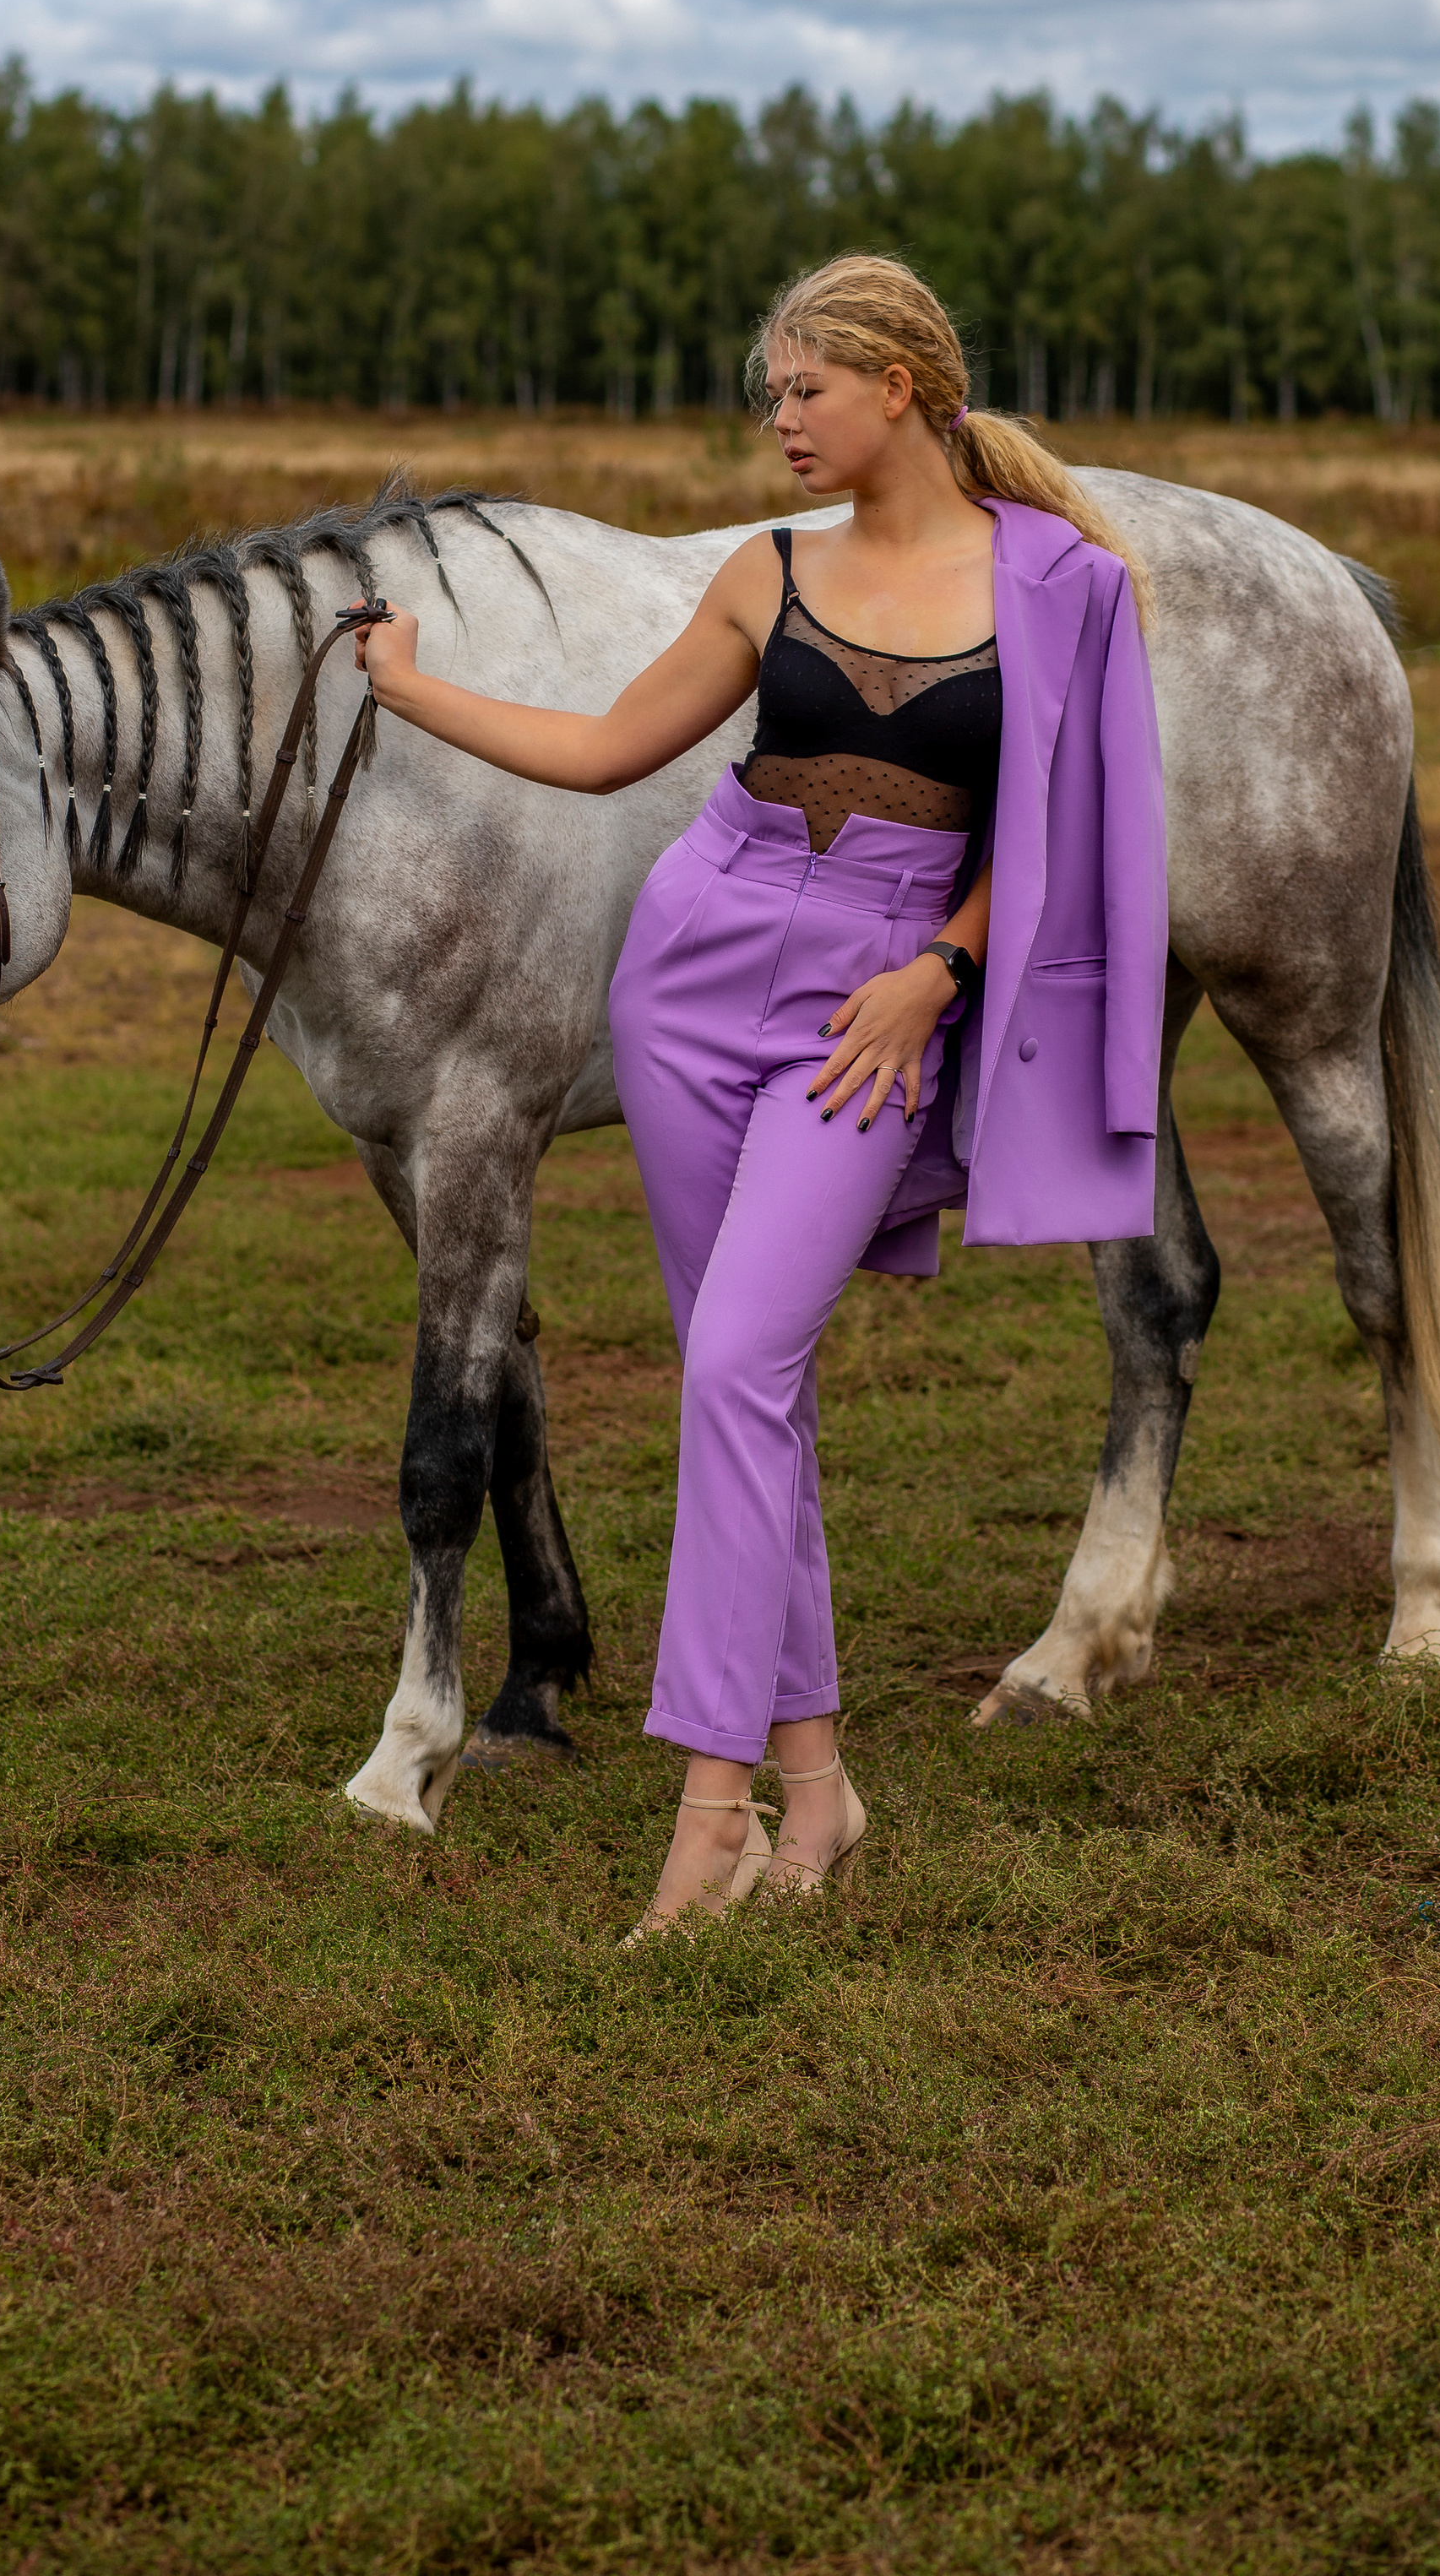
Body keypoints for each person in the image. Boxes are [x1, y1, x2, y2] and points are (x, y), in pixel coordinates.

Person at [356, 254, 1166, 1941]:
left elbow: (1067, 828)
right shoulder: (767, 571)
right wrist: (412, 686)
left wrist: (940, 969)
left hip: (872, 998)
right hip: (691, 969)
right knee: (748, 1389)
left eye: (805, 387)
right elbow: (605, 752)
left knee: (734, 1365)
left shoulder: (1063, 585)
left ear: (899, 386)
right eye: (772, 391)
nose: (779, 418)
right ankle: (816, 1793)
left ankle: (708, 1816)